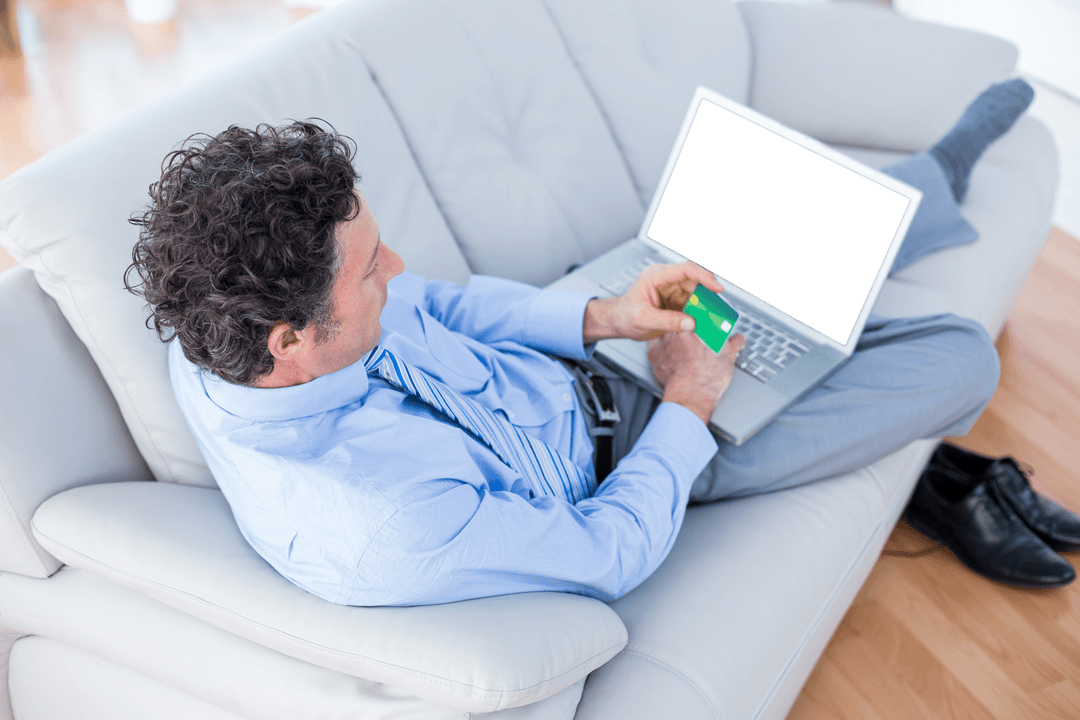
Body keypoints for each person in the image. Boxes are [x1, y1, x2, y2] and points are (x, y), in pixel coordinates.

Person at [126, 79, 1053, 606]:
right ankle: (939, 476)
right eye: (371, 269)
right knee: (960, 355)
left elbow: (444, 306)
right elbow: (606, 552)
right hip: (649, 449)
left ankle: (933, 178)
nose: (398, 266)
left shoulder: (220, 333)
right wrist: (690, 400)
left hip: (568, 349)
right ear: (291, 339)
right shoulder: (384, 524)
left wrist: (603, 316)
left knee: (778, 268)